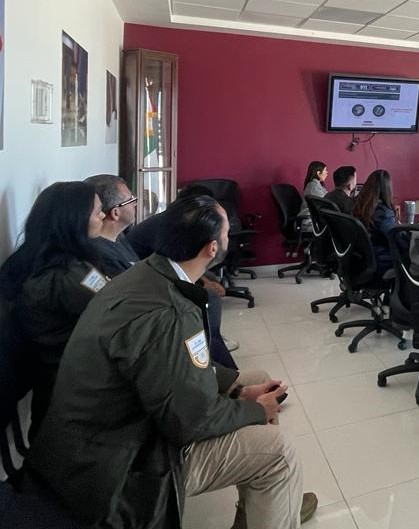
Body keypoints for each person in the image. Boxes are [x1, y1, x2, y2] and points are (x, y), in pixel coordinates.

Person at [23, 195, 317, 529]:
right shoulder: (169, 312)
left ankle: (265, 508)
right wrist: (254, 409)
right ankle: (273, 493)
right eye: (225, 233)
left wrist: (237, 391)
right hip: (119, 466)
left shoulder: (149, 273)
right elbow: (190, 420)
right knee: (280, 453)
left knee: (251, 380)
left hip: (115, 431)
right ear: (212, 248)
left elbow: (176, 367)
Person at [0, 181, 108, 437]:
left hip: (67, 381)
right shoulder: (63, 277)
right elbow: (115, 317)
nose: (104, 216)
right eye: (97, 212)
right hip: (72, 395)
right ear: (74, 221)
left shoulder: (64, 262)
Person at [127, 183, 241, 368]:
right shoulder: (175, 314)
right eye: (226, 233)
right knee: (210, 297)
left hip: (150, 267)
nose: (227, 238)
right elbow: (194, 381)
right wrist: (234, 384)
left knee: (211, 280)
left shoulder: (172, 220)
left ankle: (214, 339)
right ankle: (212, 341)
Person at [84, 174, 140, 277]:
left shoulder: (119, 235)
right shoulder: (101, 255)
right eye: (130, 200)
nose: (135, 204)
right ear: (115, 213)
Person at [353, 169, 402, 274]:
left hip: (361, 259)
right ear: (387, 189)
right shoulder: (383, 213)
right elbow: (398, 239)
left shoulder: (357, 204)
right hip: (381, 260)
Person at [298, 161, 329, 232]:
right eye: (325, 170)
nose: (327, 172)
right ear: (318, 173)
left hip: (314, 221)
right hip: (309, 223)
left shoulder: (317, 185)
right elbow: (328, 201)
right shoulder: (313, 187)